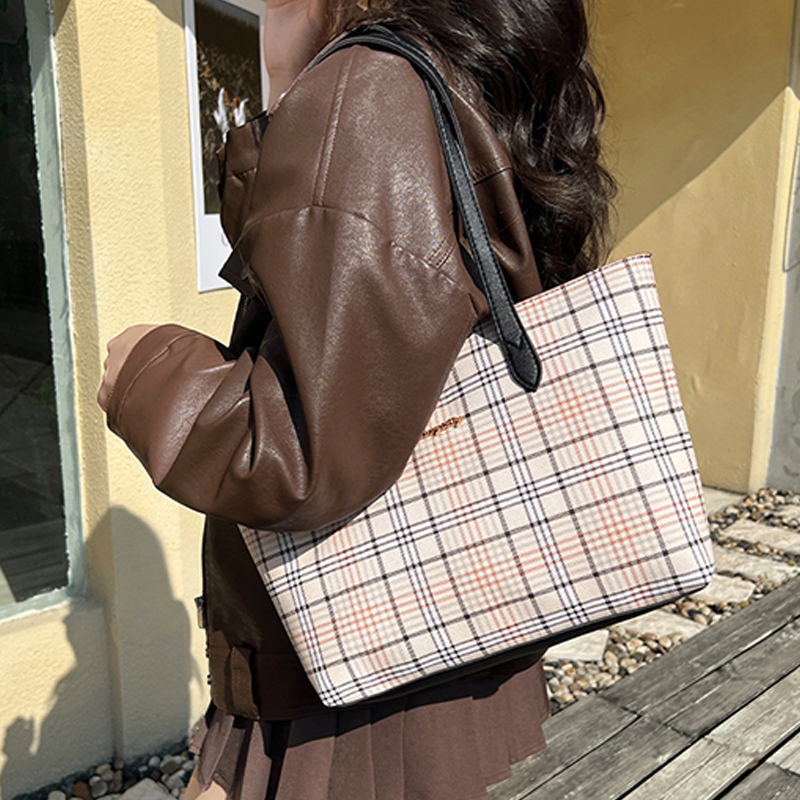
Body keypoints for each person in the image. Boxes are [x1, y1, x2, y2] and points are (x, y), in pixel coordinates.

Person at [98, 0, 615, 797]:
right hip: (452, 631)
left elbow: (300, 449)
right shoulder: (464, 76)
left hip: (349, 676)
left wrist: (144, 372)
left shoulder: (369, 89)